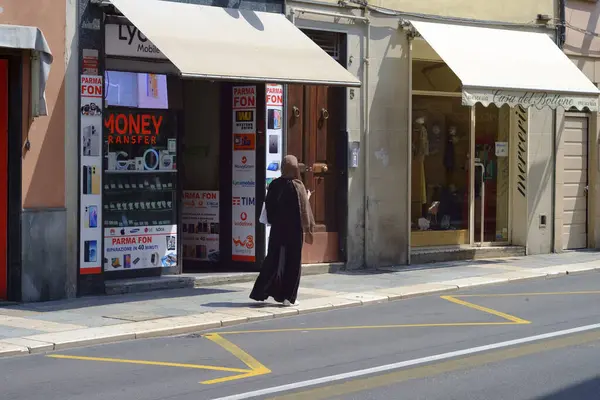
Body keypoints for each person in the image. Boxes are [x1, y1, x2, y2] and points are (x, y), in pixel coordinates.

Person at [250, 155, 315, 306]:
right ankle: (288, 297)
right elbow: (303, 210)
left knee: (273, 261)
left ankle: (261, 292)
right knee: (293, 263)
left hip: (277, 231)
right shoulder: (298, 186)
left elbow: (269, 207)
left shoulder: (274, 184)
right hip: (294, 231)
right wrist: (307, 197)